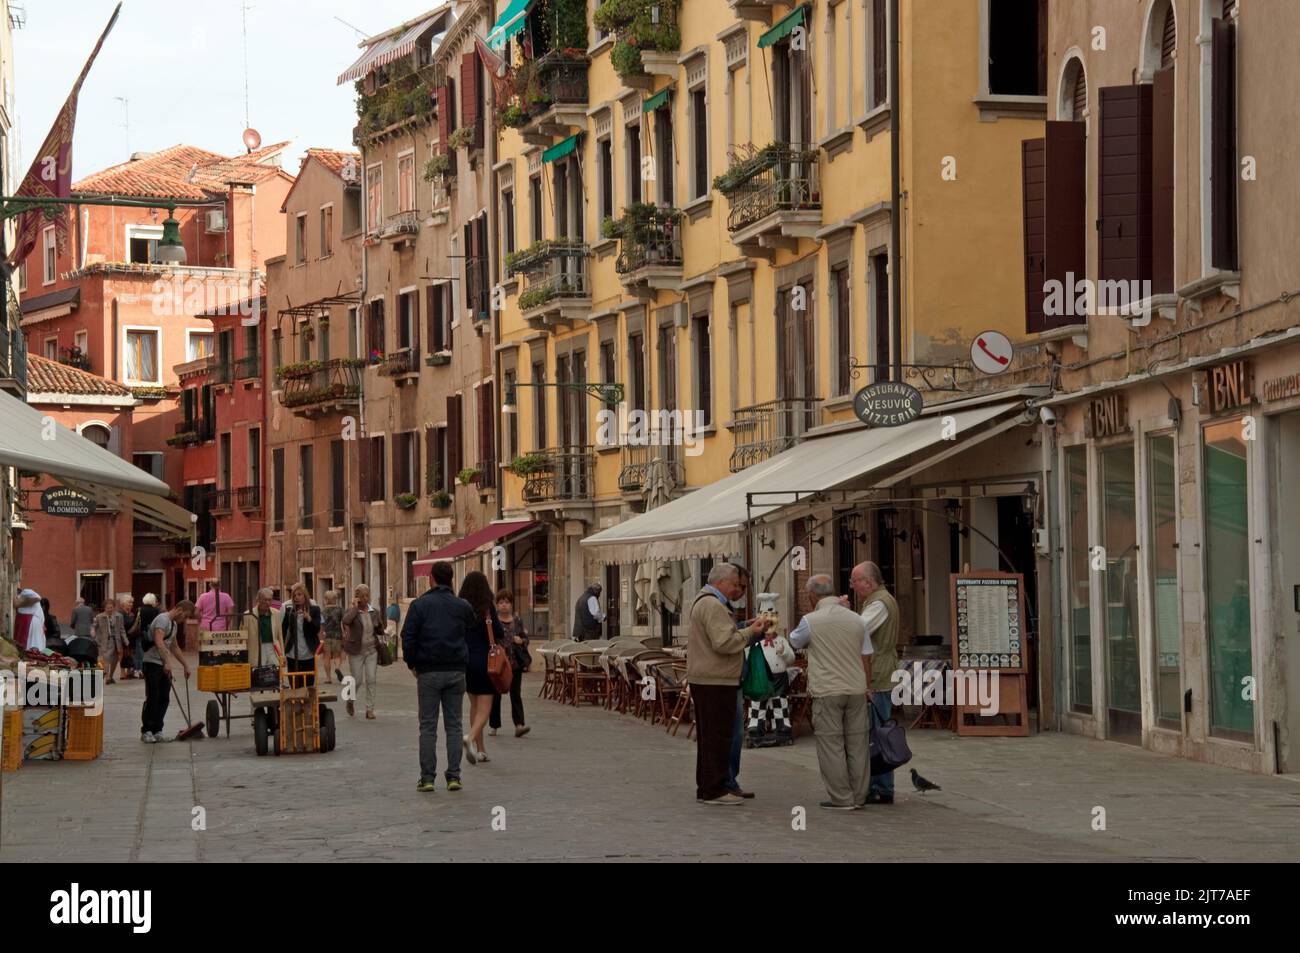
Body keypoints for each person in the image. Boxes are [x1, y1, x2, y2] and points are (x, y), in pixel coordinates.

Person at [686, 563, 771, 806]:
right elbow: (724, 643)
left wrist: (744, 627)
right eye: (736, 584)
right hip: (715, 679)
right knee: (718, 736)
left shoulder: (707, 602)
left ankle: (709, 787)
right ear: (721, 581)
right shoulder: (712, 604)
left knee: (712, 736)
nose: (738, 590)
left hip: (708, 678)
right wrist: (750, 633)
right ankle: (715, 789)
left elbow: (722, 634)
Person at [789, 574, 873, 810]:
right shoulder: (857, 619)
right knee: (858, 743)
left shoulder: (810, 620)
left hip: (827, 689)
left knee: (831, 744)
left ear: (812, 595)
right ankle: (859, 796)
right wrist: (868, 685)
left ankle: (842, 797)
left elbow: (794, 642)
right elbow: (866, 653)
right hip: (856, 688)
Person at [401, 561, 476, 793]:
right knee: (454, 725)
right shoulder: (462, 606)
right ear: (451, 579)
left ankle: (427, 778)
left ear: (431, 578)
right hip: (455, 670)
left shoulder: (419, 605)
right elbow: (470, 633)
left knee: (428, 726)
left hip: (429, 671)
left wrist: (412, 663)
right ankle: (454, 776)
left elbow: (408, 637)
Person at [850, 561, 900, 805]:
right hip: (878, 672)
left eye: (855, 581)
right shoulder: (876, 601)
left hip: (878, 675)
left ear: (868, 582)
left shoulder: (879, 603)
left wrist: (839, 613)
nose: (852, 586)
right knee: (873, 732)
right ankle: (875, 785)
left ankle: (880, 787)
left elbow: (856, 629)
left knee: (876, 734)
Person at [458, 571, 503, 763]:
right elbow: (499, 632)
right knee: (485, 708)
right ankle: (470, 737)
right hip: (486, 662)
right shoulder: (487, 608)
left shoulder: (461, 608)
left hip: (466, 661)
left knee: (474, 706)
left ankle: (481, 749)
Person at [141, 600, 195, 743]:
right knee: (153, 697)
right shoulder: (162, 620)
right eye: (185, 616)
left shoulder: (174, 624)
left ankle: (158, 729)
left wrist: (185, 665)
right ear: (179, 609)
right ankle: (147, 730)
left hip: (164, 665)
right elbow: (159, 642)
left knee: (164, 698)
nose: (184, 619)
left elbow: (174, 647)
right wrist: (167, 662)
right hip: (152, 663)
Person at [489, 590, 530, 738]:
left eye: (506, 602)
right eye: (501, 603)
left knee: (516, 694)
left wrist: (521, 641)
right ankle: (493, 726)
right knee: (496, 695)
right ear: (497, 605)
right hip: (498, 665)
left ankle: (519, 725)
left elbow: (526, 639)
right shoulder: (493, 622)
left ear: (511, 604)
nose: (504, 605)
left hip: (514, 664)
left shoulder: (517, 621)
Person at [747, 627, 797, 747]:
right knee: (758, 702)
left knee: (779, 702)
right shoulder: (756, 642)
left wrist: (784, 652)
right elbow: (749, 656)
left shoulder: (782, 640)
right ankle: (756, 726)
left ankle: (782, 725)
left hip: (779, 677)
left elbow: (791, 659)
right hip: (761, 677)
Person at [341, 584, 383, 718]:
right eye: (363, 596)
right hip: (356, 651)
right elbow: (345, 620)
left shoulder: (374, 611)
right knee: (357, 680)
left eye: (367, 596)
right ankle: (350, 700)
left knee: (371, 679)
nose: (366, 599)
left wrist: (381, 627)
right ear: (357, 597)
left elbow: (380, 628)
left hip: (371, 650)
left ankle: (369, 709)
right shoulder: (352, 612)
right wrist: (354, 607)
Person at [280, 583, 321, 686]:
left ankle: (308, 702)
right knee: (294, 685)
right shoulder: (290, 611)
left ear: (305, 596)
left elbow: (316, 629)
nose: (296, 597)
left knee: (309, 685)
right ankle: (296, 702)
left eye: (299, 595)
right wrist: (282, 650)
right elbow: (283, 631)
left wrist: (309, 619)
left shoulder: (315, 610)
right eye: (294, 595)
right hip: (292, 653)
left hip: (308, 653)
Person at [93, 598, 128, 683]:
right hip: (105, 641)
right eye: (107, 608)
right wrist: (93, 632)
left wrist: (125, 639)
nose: (109, 609)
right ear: (104, 608)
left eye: (111, 607)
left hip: (116, 640)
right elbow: (94, 626)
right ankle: (107, 677)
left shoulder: (119, 616)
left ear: (114, 607)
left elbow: (122, 629)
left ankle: (111, 675)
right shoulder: (99, 617)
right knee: (107, 659)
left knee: (115, 659)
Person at [320, 589, 344, 685]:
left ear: (326, 599)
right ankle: (337, 668)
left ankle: (328, 678)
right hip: (337, 636)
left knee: (326, 657)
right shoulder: (340, 610)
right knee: (337, 655)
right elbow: (344, 622)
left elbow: (321, 625)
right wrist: (344, 633)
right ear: (335, 599)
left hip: (326, 636)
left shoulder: (322, 611)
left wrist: (321, 636)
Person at [118, 595, 139, 679]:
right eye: (129, 602)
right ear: (123, 604)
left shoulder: (131, 614)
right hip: (123, 636)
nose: (131, 604)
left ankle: (129, 671)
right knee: (123, 654)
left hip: (131, 636)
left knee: (130, 654)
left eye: (132, 602)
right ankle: (122, 673)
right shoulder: (120, 613)